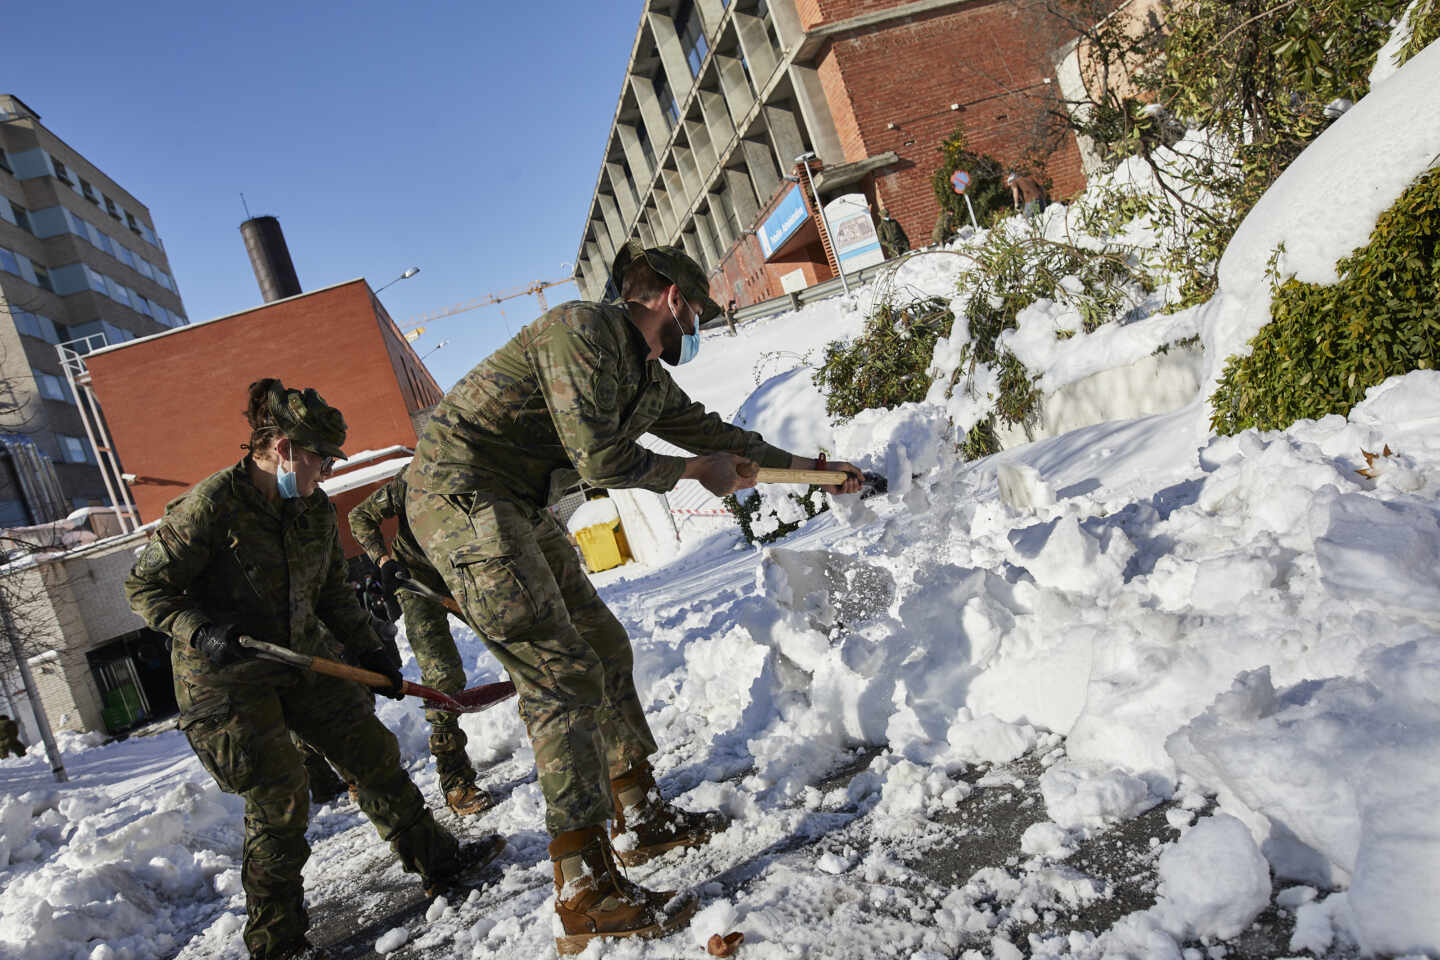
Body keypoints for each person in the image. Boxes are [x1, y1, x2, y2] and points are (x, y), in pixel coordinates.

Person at [403, 241, 863, 955]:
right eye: (699, 311)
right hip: (462, 497)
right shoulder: (581, 331)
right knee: (561, 674)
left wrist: (819, 469)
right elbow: (598, 457)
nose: (699, 326)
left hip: (518, 506)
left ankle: (640, 814)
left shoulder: (643, 377)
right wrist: (693, 471)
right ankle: (584, 888)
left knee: (604, 648)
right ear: (673, 300)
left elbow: (717, 437)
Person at [125, 378, 502, 960]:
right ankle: (278, 944)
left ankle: (439, 863)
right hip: (225, 678)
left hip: (302, 657)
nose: (326, 471)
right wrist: (200, 630)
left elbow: (330, 590)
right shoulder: (210, 507)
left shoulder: (313, 508)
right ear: (282, 447)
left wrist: (370, 647)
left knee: (372, 754)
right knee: (280, 802)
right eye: (321, 459)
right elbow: (145, 587)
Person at [349, 469, 495, 817]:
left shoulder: (490, 468)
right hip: (416, 582)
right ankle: (455, 777)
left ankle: (554, 737)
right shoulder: (418, 475)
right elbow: (359, 515)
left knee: (522, 648)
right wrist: (384, 561)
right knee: (442, 676)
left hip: (471, 573)